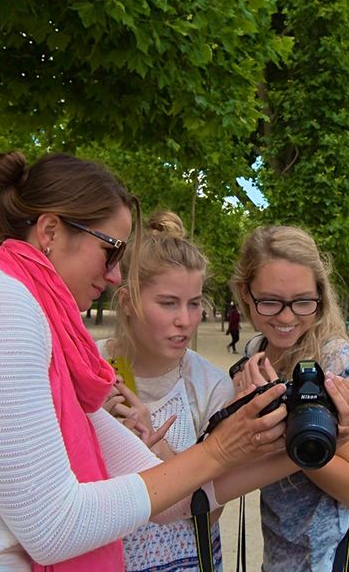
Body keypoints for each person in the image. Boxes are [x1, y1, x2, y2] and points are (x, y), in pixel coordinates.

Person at [0, 152, 349, 571]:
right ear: (51, 230)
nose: (113, 275)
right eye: (110, 251)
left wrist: (300, 441)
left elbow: (166, 496)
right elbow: (55, 526)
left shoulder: (53, 339)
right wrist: (222, 448)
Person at [229, 225, 349, 572]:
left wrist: (287, 432)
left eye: (302, 302)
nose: (285, 317)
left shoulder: (339, 362)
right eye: (269, 302)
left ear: (321, 296)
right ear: (245, 293)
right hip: (278, 561)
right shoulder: (255, 353)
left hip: (334, 563)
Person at [97, 212, 234, 571]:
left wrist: (158, 450)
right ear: (127, 301)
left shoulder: (209, 385)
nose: (186, 321)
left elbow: (211, 513)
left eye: (194, 303)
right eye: (168, 303)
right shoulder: (88, 366)